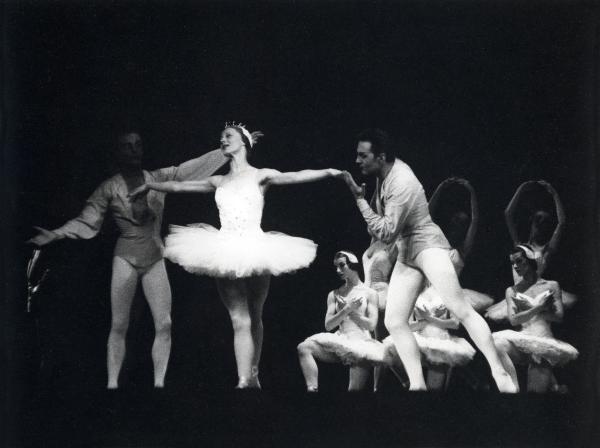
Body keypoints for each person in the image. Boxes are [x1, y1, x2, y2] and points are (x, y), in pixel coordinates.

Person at [128, 123, 342, 388]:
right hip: (224, 249)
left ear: (243, 142)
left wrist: (330, 172)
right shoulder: (218, 180)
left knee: (255, 314)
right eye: (221, 137)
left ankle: (253, 373)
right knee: (239, 318)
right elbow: (178, 187)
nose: (222, 140)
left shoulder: (261, 175)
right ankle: (243, 380)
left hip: (256, 248)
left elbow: (295, 176)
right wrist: (150, 185)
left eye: (228, 136)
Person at [27, 129, 228, 389]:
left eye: (137, 145)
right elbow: (87, 220)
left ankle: (159, 385)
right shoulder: (110, 187)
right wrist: (55, 234)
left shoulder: (156, 178)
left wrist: (226, 151)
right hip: (126, 256)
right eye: (127, 146)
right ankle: (112, 385)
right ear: (118, 152)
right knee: (120, 323)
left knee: (165, 323)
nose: (134, 150)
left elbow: (189, 169)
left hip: (154, 255)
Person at [340, 128, 517, 392]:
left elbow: (386, 232)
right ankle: (417, 385)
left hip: (427, 245)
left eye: (363, 156)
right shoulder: (382, 175)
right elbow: (381, 229)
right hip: (407, 251)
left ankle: (498, 370)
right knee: (394, 321)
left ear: (381, 156)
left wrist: (359, 200)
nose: (357, 161)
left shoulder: (401, 181)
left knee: (460, 309)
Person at [486, 180, 576, 321]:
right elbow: (508, 214)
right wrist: (521, 189)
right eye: (538, 220)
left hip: (536, 292)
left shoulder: (546, 249)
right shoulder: (520, 247)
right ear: (532, 222)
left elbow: (562, 222)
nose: (540, 225)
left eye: (544, 222)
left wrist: (553, 193)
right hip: (519, 292)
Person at [492, 245, 578, 392]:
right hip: (523, 340)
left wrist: (528, 312)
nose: (515, 266)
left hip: (543, 342)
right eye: (512, 263)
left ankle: (555, 389)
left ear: (530, 260)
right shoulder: (512, 290)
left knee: (535, 392)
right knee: (496, 343)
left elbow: (558, 317)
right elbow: (513, 320)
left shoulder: (551, 285)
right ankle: (513, 390)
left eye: (519, 261)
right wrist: (538, 308)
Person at [297, 251, 385, 391]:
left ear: (353, 265)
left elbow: (371, 324)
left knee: (354, 391)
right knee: (304, 347)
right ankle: (312, 389)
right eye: (336, 267)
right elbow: (328, 325)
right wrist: (346, 309)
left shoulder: (370, 293)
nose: (338, 270)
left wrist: (351, 312)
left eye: (342, 265)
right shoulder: (334, 294)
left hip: (360, 343)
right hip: (341, 340)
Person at [383, 286, 476, 391]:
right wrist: (426, 320)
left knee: (434, 387)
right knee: (393, 351)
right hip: (420, 340)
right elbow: (409, 326)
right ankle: (407, 383)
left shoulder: (447, 293)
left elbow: (455, 324)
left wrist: (429, 318)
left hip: (440, 343)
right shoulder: (413, 294)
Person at [427, 177, 493, 312]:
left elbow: (475, 220)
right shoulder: (438, 241)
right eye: (456, 220)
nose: (458, 225)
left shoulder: (463, 248)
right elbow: (427, 215)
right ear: (451, 222)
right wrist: (440, 188)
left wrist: (471, 192)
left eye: (462, 223)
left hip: (450, 294)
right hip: (428, 291)